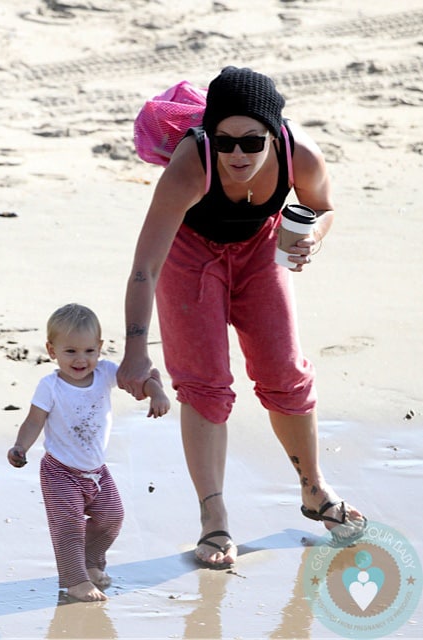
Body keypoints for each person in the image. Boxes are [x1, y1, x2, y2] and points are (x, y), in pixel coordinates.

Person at [116, 66, 367, 569]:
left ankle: (314, 489)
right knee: (205, 384)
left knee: (286, 375)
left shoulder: (301, 154)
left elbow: (323, 206)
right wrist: (137, 351)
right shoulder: (191, 166)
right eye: (224, 140)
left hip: (260, 249)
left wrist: (313, 237)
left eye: (252, 142)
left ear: (274, 134)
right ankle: (214, 519)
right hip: (190, 257)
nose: (236, 155)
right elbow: (146, 266)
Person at [8, 303, 170, 601]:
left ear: (99, 348)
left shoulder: (106, 372)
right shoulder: (50, 386)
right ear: (52, 350)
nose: (81, 360)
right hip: (60, 472)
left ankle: (91, 562)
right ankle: (75, 581)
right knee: (68, 527)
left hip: (96, 471)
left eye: (88, 351)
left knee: (112, 517)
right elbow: (34, 421)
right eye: (70, 351)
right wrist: (21, 446)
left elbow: (139, 381)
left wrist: (156, 391)